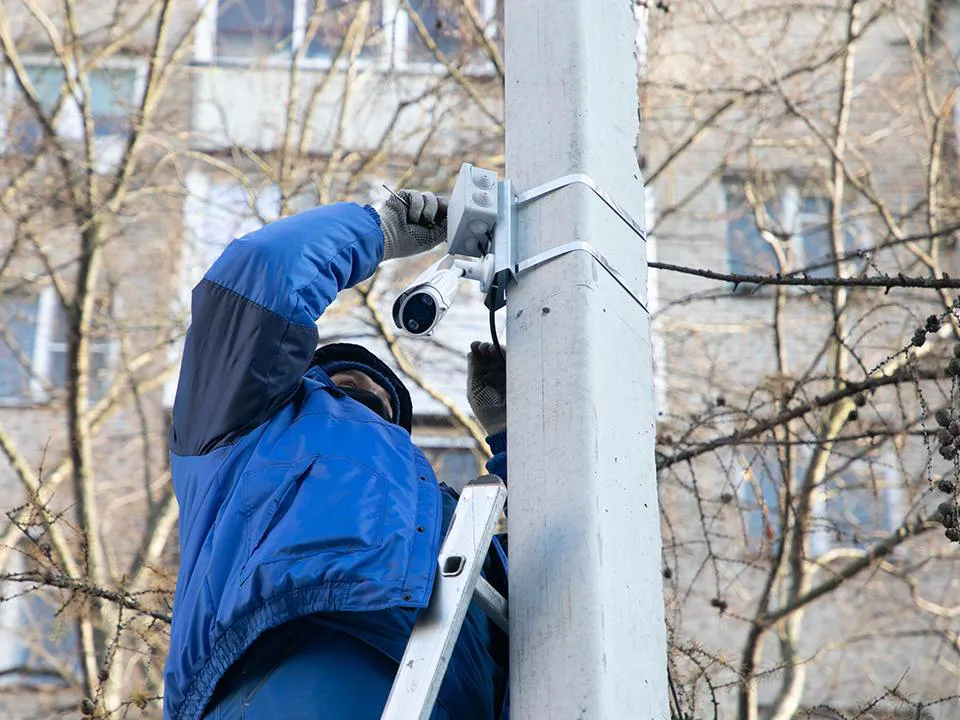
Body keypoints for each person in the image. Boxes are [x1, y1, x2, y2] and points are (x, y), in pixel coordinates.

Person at [163, 190, 509, 720]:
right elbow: (262, 277)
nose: (361, 378)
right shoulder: (244, 433)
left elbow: (565, 580)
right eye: (328, 381)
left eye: (382, 394)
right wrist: (379, 231)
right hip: (291, 678)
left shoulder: (445, 515)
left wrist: (511, 435)